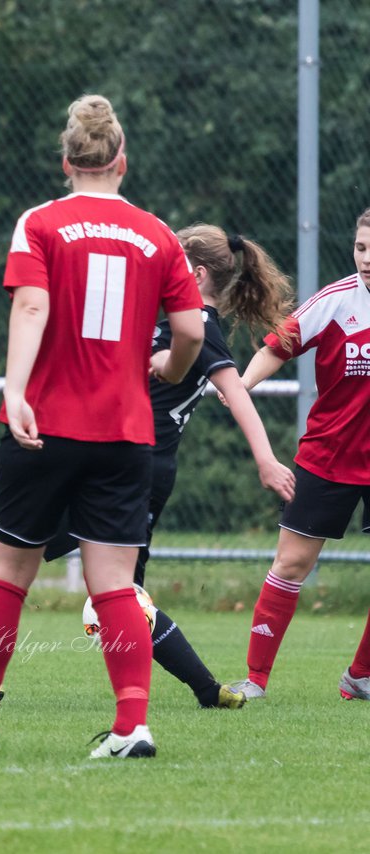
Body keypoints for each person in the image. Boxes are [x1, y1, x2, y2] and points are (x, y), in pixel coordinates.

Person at [0, 224, 296, 711]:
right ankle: (206, 691)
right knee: (108, 589)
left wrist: (266, 460)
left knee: (43, 571)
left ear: (193, 273)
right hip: (129, 463)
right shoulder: (171, 322)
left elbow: (234, 390)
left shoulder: (196, 323)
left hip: (130, 468)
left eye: (170, 262)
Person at [0, 94, 204, 759]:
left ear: (66, 160)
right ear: (122, 160)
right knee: (115, 584)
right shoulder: (156, 233)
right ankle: (134, 727)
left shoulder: (39, 222)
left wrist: (15, 391)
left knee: (9, 572)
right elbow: (190, 330)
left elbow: (32, 307)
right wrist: (174, 369)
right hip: (125, 433)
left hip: (45, 424)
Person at [230, 207, 370, 702]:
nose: (366, 258)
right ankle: (256, 680)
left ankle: (360, 677)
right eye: (360, 247)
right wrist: (241, 385)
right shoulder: (335, 302)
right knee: (291, 564)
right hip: (329, 456)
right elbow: (275, 347)